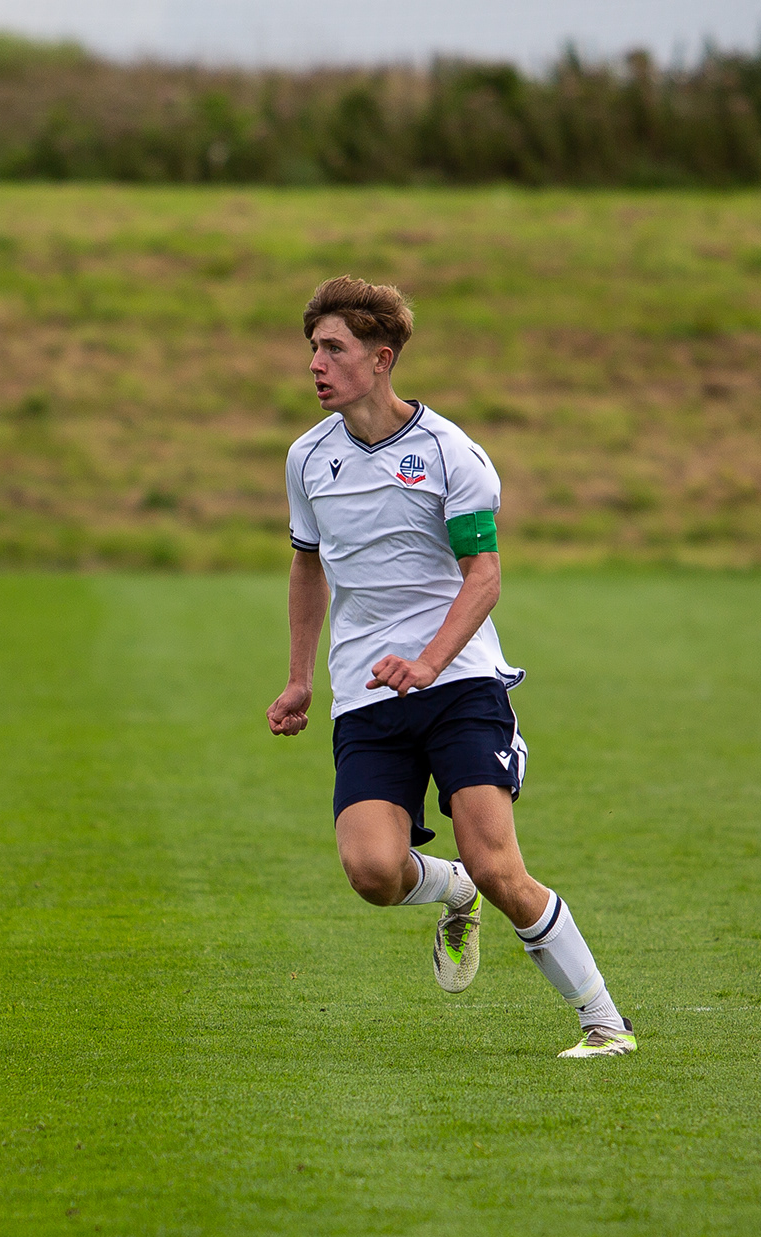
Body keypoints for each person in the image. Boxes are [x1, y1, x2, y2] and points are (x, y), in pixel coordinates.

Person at [265, 275, 636, 1059]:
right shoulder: (308, 457)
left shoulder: (449, 453)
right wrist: (300, 678)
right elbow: (306, 565)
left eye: (333, 349)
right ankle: (452, 888)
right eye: (313, 349)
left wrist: (430, 662)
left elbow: (484, 576)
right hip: (367, 691)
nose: (316, 365)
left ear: (382, 359)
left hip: (460, 681)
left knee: (499, 864)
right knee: (372, 870)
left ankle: (605, 1024)